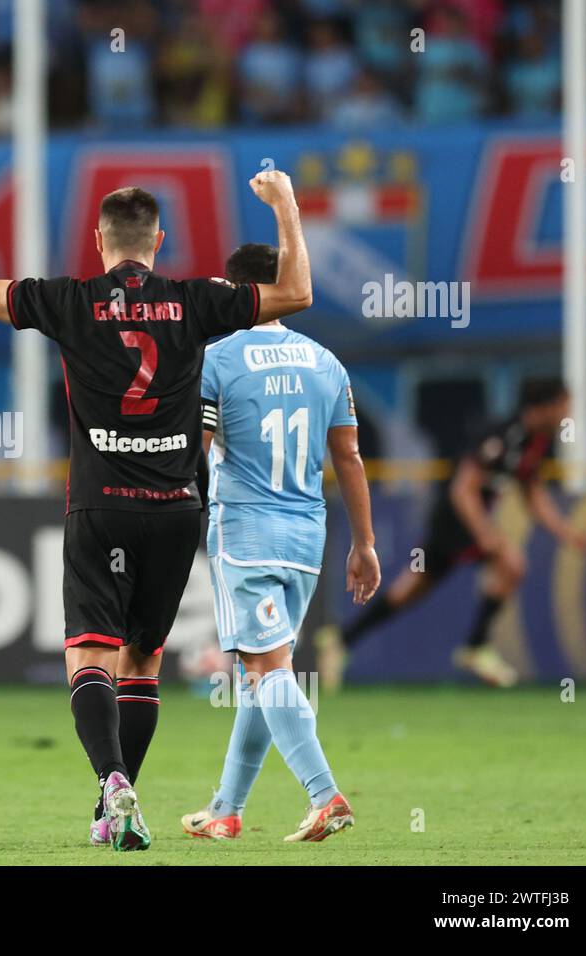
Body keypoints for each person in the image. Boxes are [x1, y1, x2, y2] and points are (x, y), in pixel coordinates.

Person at [0, 169, 313, 850]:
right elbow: (296, 293)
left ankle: (112, 781)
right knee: (142, 663)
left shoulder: (69, 300)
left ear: (97, 240)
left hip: (101, 506)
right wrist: (285, 205)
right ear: (159, 240)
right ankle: (113, 809)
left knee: (90, 660)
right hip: (175, 509)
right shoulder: (197, 300)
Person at [180, 242, 380, 843]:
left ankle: (325, 795)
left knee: (268, 669)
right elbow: (348, 455)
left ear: (233, 289)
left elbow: (201, 448)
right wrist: (364, 543)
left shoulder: (215, 359)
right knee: (265, 672)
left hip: (244, 533)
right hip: (307, 537)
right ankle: (225, 809)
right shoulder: (326, 362)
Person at [317, 377, 586, 689]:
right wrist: (486, 535)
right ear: (546, 406)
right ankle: (475, 647)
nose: (567, 413)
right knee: (511, 563)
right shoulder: (505, 434)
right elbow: (463, 490)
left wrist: (568, 534)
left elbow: (534, 496)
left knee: (411, 589)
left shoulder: (536, 442)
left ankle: (340, 640)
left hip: (469, 519)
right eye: (564, 405)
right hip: (456, 516)